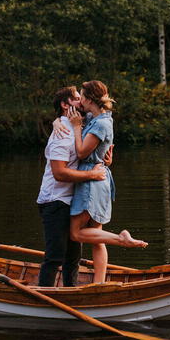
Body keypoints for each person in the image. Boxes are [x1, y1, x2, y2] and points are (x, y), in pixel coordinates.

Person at [64, 80, 147, 284]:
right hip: (99, 175)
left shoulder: (100, 123)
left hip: (91, 180)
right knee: (97, 237)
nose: (80, 100)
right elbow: (105, 147)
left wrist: (76, 127)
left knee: (75, 233)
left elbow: (83, 152)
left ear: (90, 99)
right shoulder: (98, 117)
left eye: (82, 96)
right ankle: (99, 285)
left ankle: (121, 238)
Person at [36, 86, 112, 287]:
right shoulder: (61, 133)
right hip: (55, 201)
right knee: (55, 257)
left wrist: (105, 161)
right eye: (77, 99)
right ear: (65, 105)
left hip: (72, 198)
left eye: (81, 98)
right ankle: (45, 299)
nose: (81, 102)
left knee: (73, 257)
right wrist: (92, 174)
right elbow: (59, 173)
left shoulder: (81, 123)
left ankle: (72, 293)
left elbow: (99, 137)